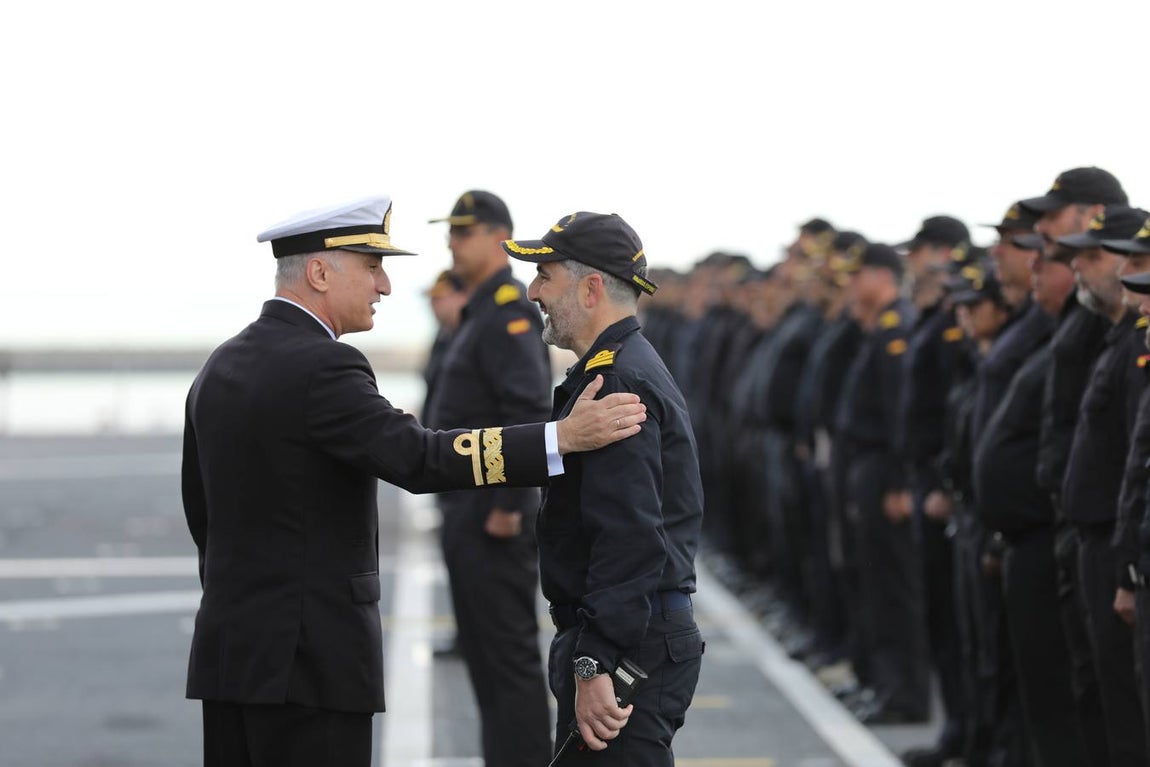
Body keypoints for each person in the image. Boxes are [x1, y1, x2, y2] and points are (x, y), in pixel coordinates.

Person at [181, 195, 648, 767]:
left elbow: (201, 511)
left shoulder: (221, 364)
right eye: (371, 266)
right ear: (320, 273)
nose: (384, 286)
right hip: (308, 666)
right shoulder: (324, 366)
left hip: (230, 656)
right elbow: (419, 458)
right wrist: (560, 438)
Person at [502, 211, 705, 766]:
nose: (533, 292)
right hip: (629, 633)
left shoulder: (615, 379)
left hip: (628, 642)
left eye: (545, 276)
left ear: (591, 288)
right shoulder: (615, 367)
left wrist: (596, 660)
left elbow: (629, 534)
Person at [424, 190, 554, 767]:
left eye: (463, 231)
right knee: (482, 658)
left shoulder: (508, 311)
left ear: (499, 237)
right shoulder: (480, 309)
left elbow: (525, 410)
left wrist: (509, 504)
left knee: (506, 661)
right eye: (451, 231)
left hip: (490, 515)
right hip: (467, 508)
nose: (451, 242)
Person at [833, 242, 929, 724]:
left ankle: (905, 695)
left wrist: (898, 482)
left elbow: (900, 416)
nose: (851, 285)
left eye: (858, 275)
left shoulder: (896, 328)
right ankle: (884, 684)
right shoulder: (877, 329)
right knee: (872, 582)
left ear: (882, 277)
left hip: (884, 473)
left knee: (893, 587)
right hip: (866, 469)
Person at [419, 268, 467, 421]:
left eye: (439, 298)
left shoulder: (476, 336)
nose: (432, 304)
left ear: (461, 296)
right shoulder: (443, 337)